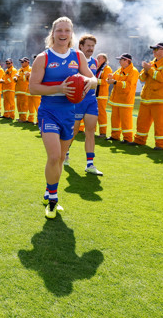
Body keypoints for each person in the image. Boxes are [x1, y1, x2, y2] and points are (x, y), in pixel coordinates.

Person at [29, 17, 97, 219]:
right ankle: (53, 200)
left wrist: (88, 81)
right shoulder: (43, 57)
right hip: (49, 111)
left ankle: (49, 190)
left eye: (67, 30)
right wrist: (59, 88)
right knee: (53, 156)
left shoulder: (78, 56)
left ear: (71, 34)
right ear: (53, 33)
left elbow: (93, 79)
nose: (63, 34)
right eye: (59, 30)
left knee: (60, 158)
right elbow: (33, 88)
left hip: (69, 112)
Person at [64, 35, 103, 175]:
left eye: (93, 46)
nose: (91, 48)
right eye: (88, 45)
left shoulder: (94, 62)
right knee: (73, 131)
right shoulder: (72, 60)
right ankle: (66, 153)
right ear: (81, 46)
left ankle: (90, 164)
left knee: (90, 131)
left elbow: (95, 80)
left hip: (91, 100)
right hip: (77, 101)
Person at [131, 42, 163, 150]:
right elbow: (141, 78)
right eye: (153, 49)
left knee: (160, 123)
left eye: (156, 49)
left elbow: (161, 78)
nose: (154, 51)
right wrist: (147, 70)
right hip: (147, 98)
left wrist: (149, 69)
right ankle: (139, 140)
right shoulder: (151, 63)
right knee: (142, 121)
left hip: (160, 99)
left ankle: (161, 145)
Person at [106, 53, 139, 143]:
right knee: (115, 119)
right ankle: (115, 136)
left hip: (126, 100)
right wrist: (109, 78)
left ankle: (127, 138)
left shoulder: (134, 71)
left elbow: (128, 85)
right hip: (116, 100)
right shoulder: (120, 70)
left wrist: (115, 82)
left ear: (127, 61)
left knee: (126, 121)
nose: (119, 61)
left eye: (121, 59)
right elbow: (113, 77)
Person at [95, 53, 112, 138]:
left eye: (99, 58)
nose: (97, 59)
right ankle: (92, 131)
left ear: (104, 60)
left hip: (101, 95)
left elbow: (106, 81)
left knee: (101, 114)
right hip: (94, 94)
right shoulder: (96, 67)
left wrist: (95, 81)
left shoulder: (107, 68)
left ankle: (103, 133)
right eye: (97, 57)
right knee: (93, 113)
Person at [15, 57, 31, 123]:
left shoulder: (30, 69)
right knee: (19, 105)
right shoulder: (20, 69)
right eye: (21, 62)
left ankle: (24, 118)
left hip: (24, 90)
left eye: (23, 62)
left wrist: (19, 77)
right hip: (18, 90)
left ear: (27, 62)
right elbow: (16, 75)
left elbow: (27, 79)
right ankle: (20, 117)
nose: (21, 63)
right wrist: (15, 78)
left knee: (24, 105)